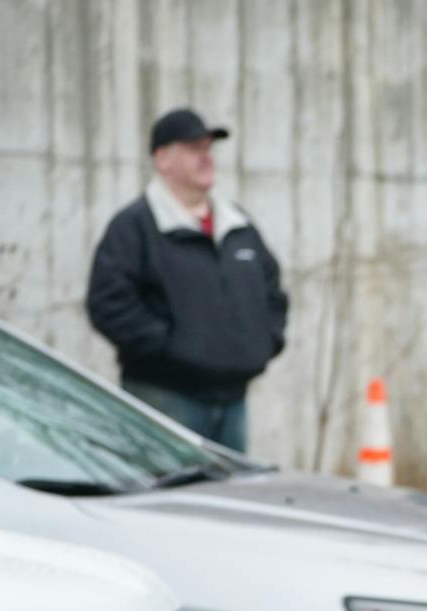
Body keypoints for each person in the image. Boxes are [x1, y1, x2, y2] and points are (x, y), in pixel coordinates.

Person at [85, 107, 287, 454]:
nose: (206, 158)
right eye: (194, 149)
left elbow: (272, 290)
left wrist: (265, 342)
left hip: (234, 400)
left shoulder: (236, 224)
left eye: (208, 149)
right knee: (168, 503)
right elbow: (109, 304)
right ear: (162, 159)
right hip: (166, 399)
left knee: (227, 502)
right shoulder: (134, 226)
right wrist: (173, 349)